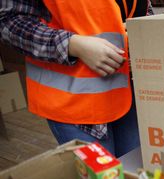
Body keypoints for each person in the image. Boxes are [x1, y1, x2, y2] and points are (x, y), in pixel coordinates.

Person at [0, 0, 153, 158]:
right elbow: (7, 21)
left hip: (131, 96)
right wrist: (72, 45)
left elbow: (142, 9)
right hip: (75, 104)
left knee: (135, 176)